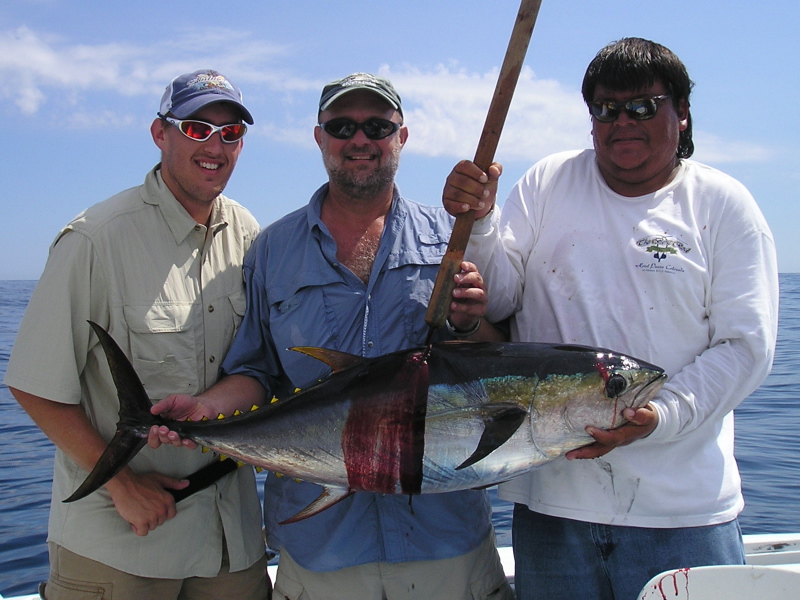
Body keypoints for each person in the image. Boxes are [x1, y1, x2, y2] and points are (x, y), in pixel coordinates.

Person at [149, 72, 513, 600]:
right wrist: (206, 410)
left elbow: (492, 368)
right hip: (320, 548)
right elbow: (257, 371)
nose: (360, 140)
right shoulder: (272, 250)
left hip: (445, 540)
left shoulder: (451, 240)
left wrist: (469, 321)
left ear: (402, 137)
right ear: (319, 138)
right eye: (342, 126)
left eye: (376, 126)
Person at [442, 38, 779, 600]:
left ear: (682, 112)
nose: (623, 120)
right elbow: (501, 302)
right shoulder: (549, 182)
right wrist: (479, 222)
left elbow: (746, 348)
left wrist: (659, 415)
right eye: (606, 108)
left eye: (644, 106)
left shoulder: (723, 204)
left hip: (684, 517)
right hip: (553, 505)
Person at [5, 70, 270, 600]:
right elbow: (33, 384)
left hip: (231, 541)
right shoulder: (95, 240)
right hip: (121, 542)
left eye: (230, 133)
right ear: (160, 134)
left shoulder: (249, 233)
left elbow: (257, 366)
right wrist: (122, 486)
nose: (215, 145)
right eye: (197, 128)